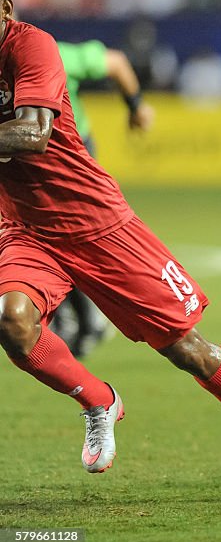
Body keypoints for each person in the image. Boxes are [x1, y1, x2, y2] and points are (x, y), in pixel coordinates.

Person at [0, 0, 221, 503]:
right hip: (27, 228)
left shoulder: (33, 46)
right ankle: (99, 400)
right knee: (12, 323)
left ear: (7, 10)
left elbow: (32, 135)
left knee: (189, 352)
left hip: (98, 225)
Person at [51, 39, 156, 358]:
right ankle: (74, 317)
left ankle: (87, 319)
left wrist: (136, 106)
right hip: (25, 161)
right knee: (43, 241)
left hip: (73, 157)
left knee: (68, 241)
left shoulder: (54, 54)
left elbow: (116, 62)